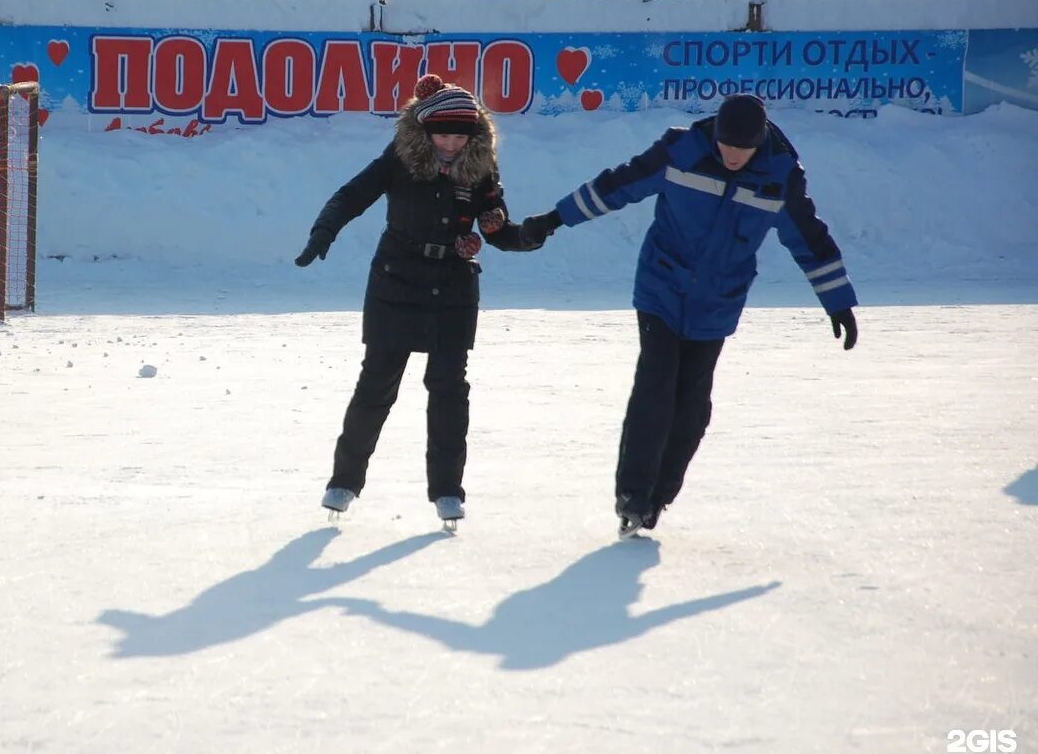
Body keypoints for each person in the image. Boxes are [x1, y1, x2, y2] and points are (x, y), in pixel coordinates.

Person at [520, 93, 858, 537]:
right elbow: (617, 186)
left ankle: (658, 497)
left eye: (742, 148)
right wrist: (553, 220)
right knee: (655, 387)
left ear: (759, 143)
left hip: (717, 303)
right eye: (725, 145)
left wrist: (837, 301)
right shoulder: (681, 153)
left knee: (692, 406)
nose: (732, 155)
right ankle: (632, 495)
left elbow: (809, 240)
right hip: (662, 287)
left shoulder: (779, 179)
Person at [295, 73, 542, 528]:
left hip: (453, 286)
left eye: (460, 136)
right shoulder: (400, 159)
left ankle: (447, 490)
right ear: (425, 131)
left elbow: (497, 225)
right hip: (397, 280)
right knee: (376, 386)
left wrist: (525, 234)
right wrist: (324, 229)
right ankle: (344, 482)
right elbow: (352, 195)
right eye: (443, 135)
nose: (451, 144)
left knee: (449, 391)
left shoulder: (479, 165)